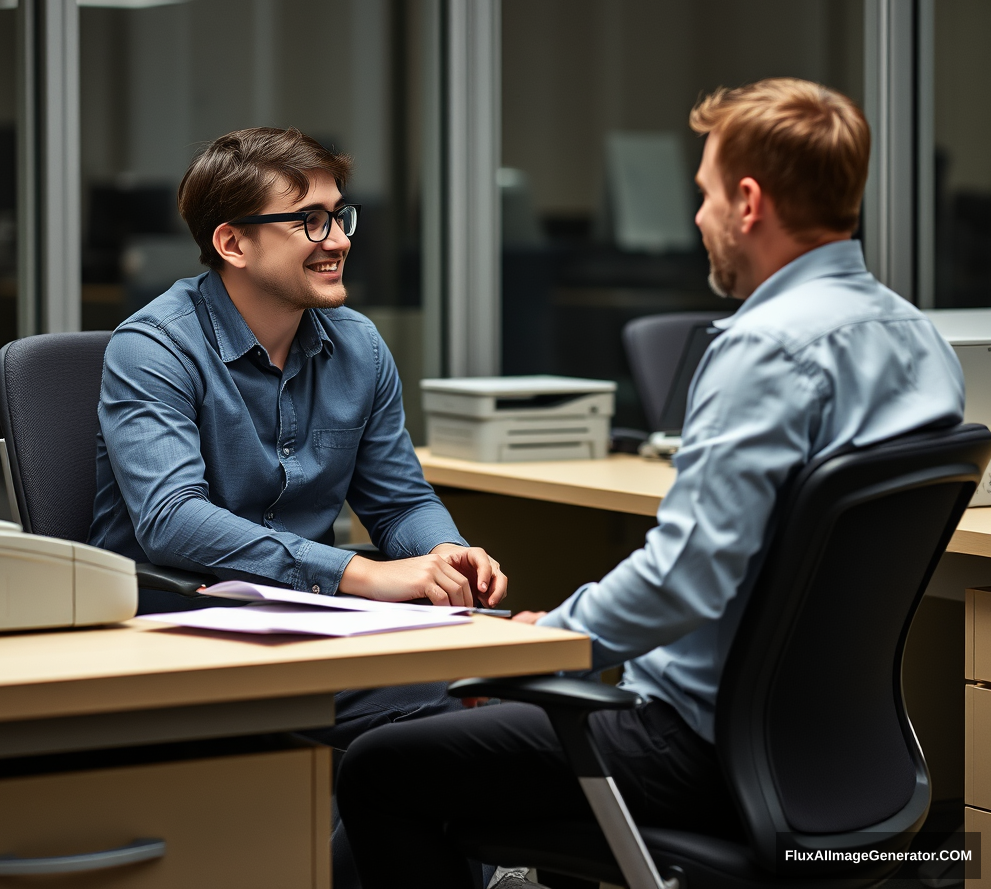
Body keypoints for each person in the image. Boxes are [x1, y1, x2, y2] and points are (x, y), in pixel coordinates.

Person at [335, 78, 966, 889]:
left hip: (697, 747)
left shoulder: (763, 349)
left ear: (747, 201)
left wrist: (548, 640)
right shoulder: (921, 339)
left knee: (383, 767)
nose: (698, 219)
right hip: (839, 751)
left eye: (703, 195)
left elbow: (686, 577)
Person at [90, 126, 506, 747]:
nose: (337, 240)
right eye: (310, 221)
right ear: (233, 242)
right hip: (177, 624)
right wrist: (362, 576)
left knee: (491, 687)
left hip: (308, 621)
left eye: (339, 217)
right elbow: (172, 521)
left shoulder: (358, 345)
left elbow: (399, 502)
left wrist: (443, 554)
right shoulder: (153, 348)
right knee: (442, 714)